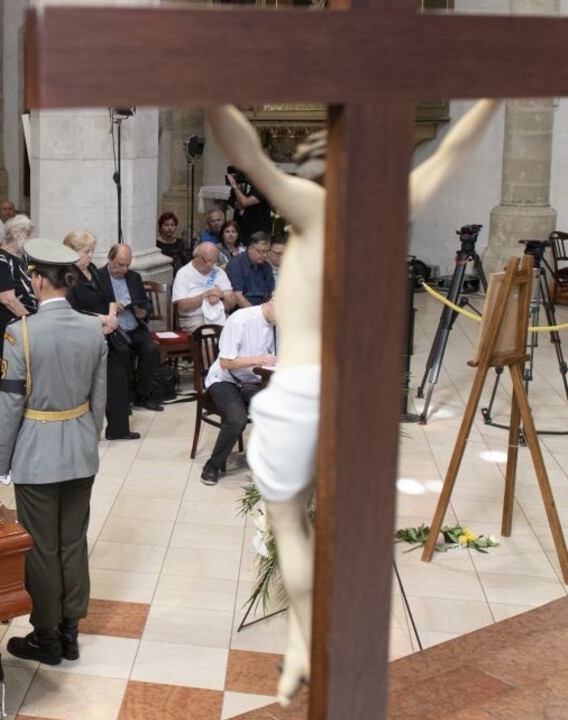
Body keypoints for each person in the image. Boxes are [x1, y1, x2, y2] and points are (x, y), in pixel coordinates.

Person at [205, 100, 500, 704]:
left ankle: (303, 643)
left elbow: (247, 152)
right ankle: (342, 645)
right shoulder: (388, 205)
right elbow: (451, 151)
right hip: (360, 393)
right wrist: (494, 96)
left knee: (288, 520)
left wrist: (211, 93)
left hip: (301, 383)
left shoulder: (314, 207)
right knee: (351, 530)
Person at [0, 238, 107, 667]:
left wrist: (2, 461)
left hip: (37, 453)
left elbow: (10, 406)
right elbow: (99, 400)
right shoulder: (93, 329)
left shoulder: (20, 332)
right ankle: (70, 630)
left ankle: (46, 635)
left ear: (38, 281)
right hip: (79, 448)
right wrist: (86, 441)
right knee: (73, 541)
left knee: (41, 546)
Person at [64, 231, 134, 440]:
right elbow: (73, 311)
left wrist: (111, 320)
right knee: (86, 387)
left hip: (107, 332)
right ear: (73, 252)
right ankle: (84, 432)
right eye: (86, 251)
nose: (91, 256)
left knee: (119, 379)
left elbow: (110, 297)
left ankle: (119, 430)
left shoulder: (93, 270)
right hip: (84, 334)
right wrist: (103, 320)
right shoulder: (67, 276)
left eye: (92, 251)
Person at [199, 299, 277, 487]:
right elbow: (226, 362)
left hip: (252, 380)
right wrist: (257, 359)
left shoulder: (277, 325)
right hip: (225, 379)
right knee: (237, 418)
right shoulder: (240, 319)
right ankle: (213, 465)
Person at [0, 214, 38, 434]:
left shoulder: (21, 258)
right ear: (17, 234)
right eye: (27, 234)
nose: (30, 239)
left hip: (23, 322)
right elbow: (8, 298)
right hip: (10, 325)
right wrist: (30, 318)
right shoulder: (1, 260)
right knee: (9, 374)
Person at [99, 244, 164, 412]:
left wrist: (144, 312)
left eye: (127, 265)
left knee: (151, 350)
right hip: (114, 331)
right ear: (110, 259)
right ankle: (124, 398)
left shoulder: (134, 277)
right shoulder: (99, 277)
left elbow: (145, 302)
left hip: (135, 327)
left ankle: (142, 395)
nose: (124, 269)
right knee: (122, 354)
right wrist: (112, 308)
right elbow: (96, 306)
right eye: (120, 264)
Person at [173, 242, 237, 332]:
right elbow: (182, 306)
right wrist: (205, 295)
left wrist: (221, 295)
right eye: (208, 261)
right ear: (197, 257)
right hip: (195, 319)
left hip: (219, 315)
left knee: (237, 330)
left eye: (214, 261)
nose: (211, 265)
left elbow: (232, 302)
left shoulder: (219, 272)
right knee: (209, 336)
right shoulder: (183, 273)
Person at [226, 231, 276, 307]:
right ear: (250, 248)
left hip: (264, 308)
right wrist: (256, 315)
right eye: (261, 251)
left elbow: (271, 293)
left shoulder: (266, 266)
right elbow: (237, 296)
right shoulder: (236, 265)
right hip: (243, 311)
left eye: (267, 251)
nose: (265, 255)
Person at [226, 165, 273, 238]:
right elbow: (235, 201)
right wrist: (236, 202)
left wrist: (235, 187)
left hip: (257, 227)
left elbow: (245, 203)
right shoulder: (242, 182)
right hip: (241, 223)